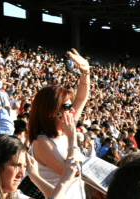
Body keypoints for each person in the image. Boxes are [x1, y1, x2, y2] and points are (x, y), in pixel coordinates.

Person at [28, 49, 90, 199]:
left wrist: (85, 72)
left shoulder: (63, 128)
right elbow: (70, 172)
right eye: (67, 107)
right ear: (52, 111)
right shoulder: (41, 142)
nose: (72, 110)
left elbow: (81, 98)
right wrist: (72, 138)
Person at [0, 134, 80, 199]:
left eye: (24, 166)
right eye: (16, 165)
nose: (22, 174)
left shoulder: (13, 195)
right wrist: (64, 183)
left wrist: (35, 177)